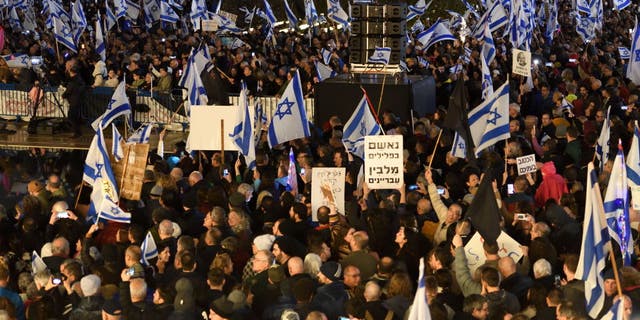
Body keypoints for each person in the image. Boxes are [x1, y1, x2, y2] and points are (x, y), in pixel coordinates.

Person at [61, 64, 85, 138]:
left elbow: (69, 90)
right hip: (78, 100)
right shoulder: (80, 79)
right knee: (75, 117)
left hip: (74, 101)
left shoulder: (73, 81)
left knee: (72, 117)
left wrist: (63, 95)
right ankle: (78, 132)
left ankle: (77, 132)